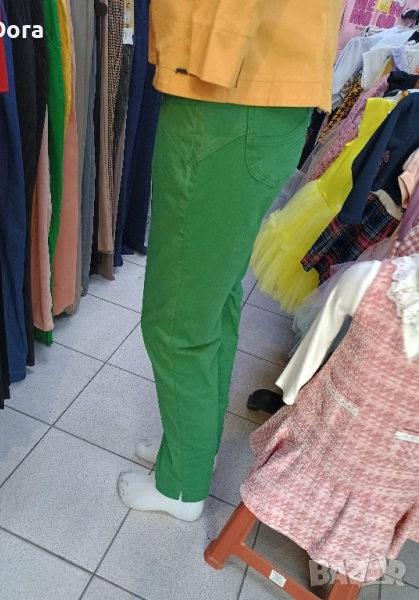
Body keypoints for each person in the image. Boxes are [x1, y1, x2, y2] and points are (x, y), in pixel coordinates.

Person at [118, 0, 342, 521]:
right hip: (262, 85)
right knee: (214, 299)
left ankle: (181, 487)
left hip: (226, 88)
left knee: (178, 317)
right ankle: (194, 450)